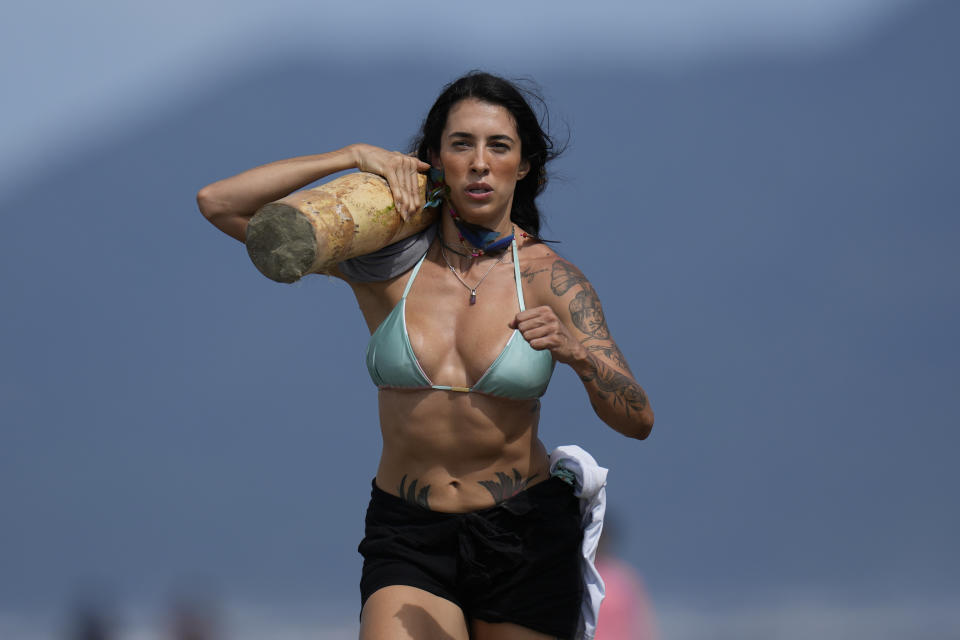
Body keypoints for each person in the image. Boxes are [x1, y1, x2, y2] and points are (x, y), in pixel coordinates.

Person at [197, 71, 653, 640]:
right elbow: (218, 203)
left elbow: (638, 420)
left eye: (499, 146)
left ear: (526, 164)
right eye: (461, 144)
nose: (480, 162)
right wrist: (351, 156)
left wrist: (578, 357)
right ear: (435, 159)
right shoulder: (385, 266)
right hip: (408, 532)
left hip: (523, 535)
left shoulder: (553, 283)